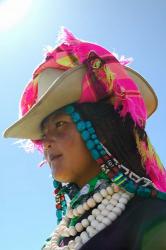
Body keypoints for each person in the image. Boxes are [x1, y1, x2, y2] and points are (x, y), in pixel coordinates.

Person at [4, 28, 166, 250]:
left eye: (60, 125)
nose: (47, 142)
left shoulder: (150, 218)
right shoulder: (58, 239)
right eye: (43, 135)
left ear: (100, 130)